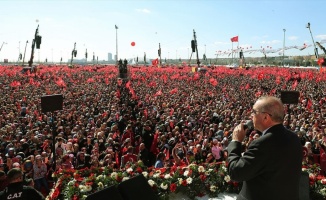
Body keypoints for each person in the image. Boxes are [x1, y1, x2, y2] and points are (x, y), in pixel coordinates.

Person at [227, 96, 302, 200]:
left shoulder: (262, 143)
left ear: (266, 117)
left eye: (254, 112)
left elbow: (236, 172)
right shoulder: (294, 138)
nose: (251, 115)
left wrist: (236, 141)